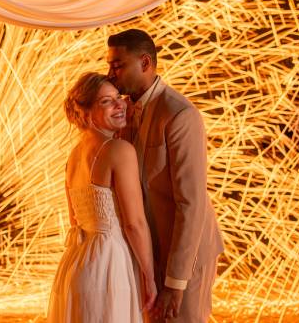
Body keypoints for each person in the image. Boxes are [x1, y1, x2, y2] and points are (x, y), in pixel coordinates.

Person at [107, 29, 224, 323]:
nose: (110, 74)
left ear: (145, 63)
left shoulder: (180, 114)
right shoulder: (125, 111)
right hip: (150, 253)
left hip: (186, 255)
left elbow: (191, 204)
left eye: (118, 65)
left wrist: (175, 282)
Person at [48, 72, 157, 323]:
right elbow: (134, 224)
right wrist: (149, 278)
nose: (120, 104)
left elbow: (74, 220)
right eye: (106, 101)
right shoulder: (119, 150)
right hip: (110, 266)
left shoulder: (74, 156)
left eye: (118, 97)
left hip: (76, 266)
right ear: (85, 113)